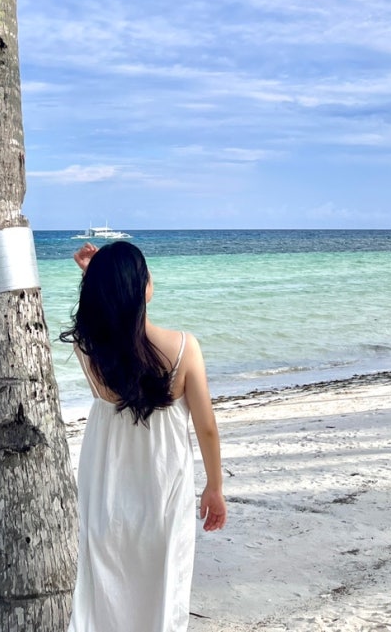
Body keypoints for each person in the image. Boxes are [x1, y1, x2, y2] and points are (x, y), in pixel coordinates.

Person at [60, 239, 227, 632]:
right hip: (162, 485)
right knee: (164, 583)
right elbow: (206, 426)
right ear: (144, 287)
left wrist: (94, 277)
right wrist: (214, 487)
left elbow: (98, 316)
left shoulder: (89, 348)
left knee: (106, 586)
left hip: (105, 485)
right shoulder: (183, 348)